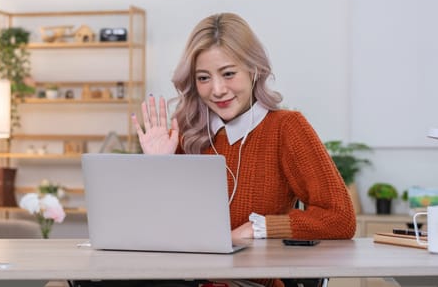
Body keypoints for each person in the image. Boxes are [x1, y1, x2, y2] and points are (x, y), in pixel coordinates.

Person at [131, 12, 356, 243]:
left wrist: (257, 228)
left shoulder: (286, 128)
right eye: (203, 78)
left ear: (253, 70)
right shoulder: (183, 138)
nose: (217, 90)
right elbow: (153, 231)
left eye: (228, 74)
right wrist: (158, 166)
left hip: (251, 278)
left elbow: (340, 219)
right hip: (187, 275)